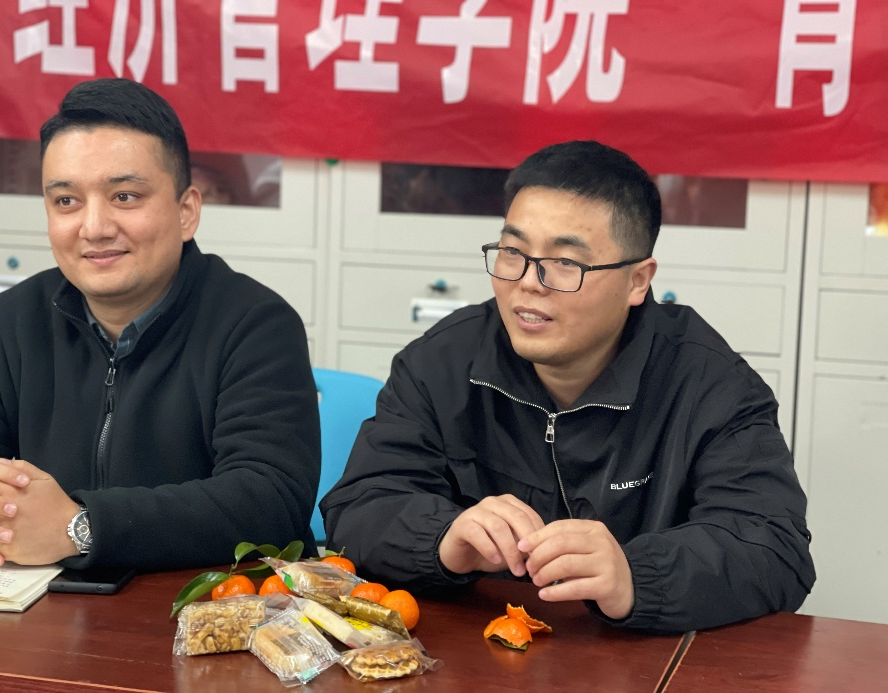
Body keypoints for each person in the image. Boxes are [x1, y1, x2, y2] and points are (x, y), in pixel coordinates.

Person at [321, 140, 815, 632]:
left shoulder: (710, 383)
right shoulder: (443, 360)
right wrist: (442, 540)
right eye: (513, 251)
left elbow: (775, 548)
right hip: (480, 649)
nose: (529, 282)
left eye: (566, 263)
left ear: (637, 281)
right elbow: (359, 505)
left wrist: (636, 577)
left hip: (645, 659)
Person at [0, 78, 320, 571]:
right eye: (66, 201)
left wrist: (80, 526)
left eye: (125, 196)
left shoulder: (257, 324)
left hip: (207, 604)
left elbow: (270, 500)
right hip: (44, 605)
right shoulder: (10, 322)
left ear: (187, 211)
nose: (94, 227)